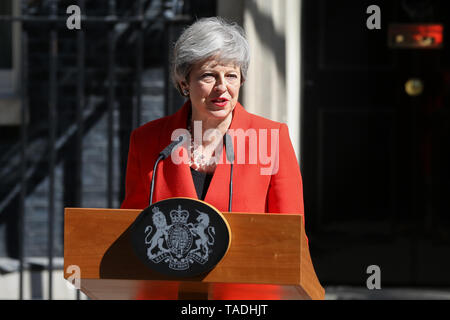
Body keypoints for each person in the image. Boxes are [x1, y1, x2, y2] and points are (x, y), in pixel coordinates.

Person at [121, 17, 306, 299]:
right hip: (166, 292)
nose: (222, 87)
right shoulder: (148, 142)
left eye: (231, 75)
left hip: (247, 297)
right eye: (208, 76)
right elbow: (131, 229)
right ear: (185, 82)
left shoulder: (271, 138)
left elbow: (291, 236)